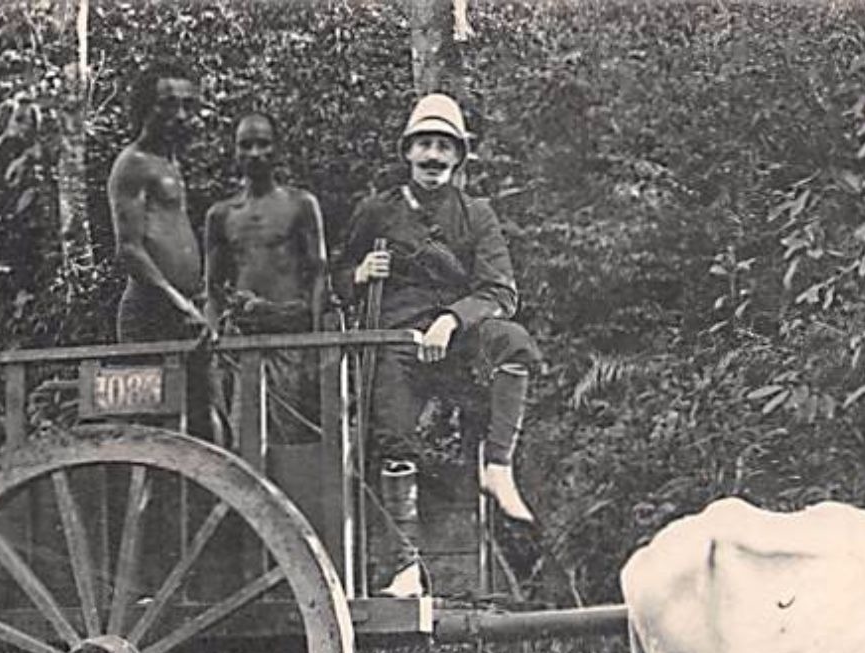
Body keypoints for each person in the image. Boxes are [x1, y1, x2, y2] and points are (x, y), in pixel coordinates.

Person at [335, 93, 541, 597]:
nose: (433, 156)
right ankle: (405, 567)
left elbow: (501, 291)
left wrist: (452, 320)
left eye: (443, 147)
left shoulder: (476, 215)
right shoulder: (377, 211)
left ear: (458, 156)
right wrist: (358, 274)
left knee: (513, 343)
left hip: (458, 343)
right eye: (424, 145)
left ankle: (498, 467)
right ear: (407, 152)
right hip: (394, 341)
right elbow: (331, 277)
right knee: (393, 432)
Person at [204, 112, 328, 442]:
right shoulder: (221, 215)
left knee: (293, 434)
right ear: (234, 152)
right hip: (242, 341)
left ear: (278, 150)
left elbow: (319, 274)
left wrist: (316, 345)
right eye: (246, 145)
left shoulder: (301, 204)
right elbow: (213, 289)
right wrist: (214, 346)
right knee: (240, 435)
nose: (255, 153)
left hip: (290, 338)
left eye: (263, 144)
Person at [107, 62, 211, 343]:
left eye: (187, 106)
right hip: (151, 313)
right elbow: (129, 249)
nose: (179, 115)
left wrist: (197, 298)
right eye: (167, 105)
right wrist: (177, 301)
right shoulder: (133, 163)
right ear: (146, 108)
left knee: (204, 387)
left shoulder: (170, 162)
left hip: (187, 310)